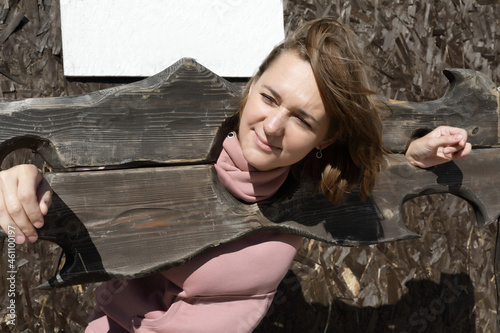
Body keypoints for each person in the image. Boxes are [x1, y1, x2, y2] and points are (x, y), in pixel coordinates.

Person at [0, 18, 471, 332]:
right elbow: (86, 184)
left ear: (324, 140)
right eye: (269, 98)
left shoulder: (319, 184)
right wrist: (25, 177)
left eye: (303, 120)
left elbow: (369, 161)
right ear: (249, 89)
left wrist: (413, 156)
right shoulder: (156, 157)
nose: (272, 127)